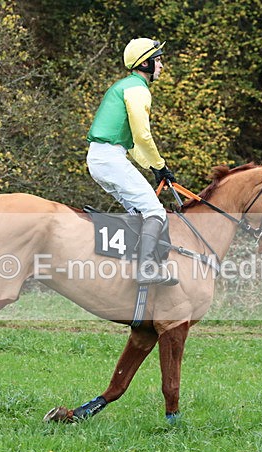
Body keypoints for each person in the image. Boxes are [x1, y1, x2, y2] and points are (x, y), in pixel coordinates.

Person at [86, 38, 178, 286]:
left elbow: (134, 146)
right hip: (110, 159)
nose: (161, 65)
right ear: (145, 63)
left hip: (102, 158)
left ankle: (132, 264)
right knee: (155, 211)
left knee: (138, 212)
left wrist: (157, 169)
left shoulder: (125, 85)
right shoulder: (138, 89)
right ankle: (146, 269)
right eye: (158, 60)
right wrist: (159, 165)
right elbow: (142, 136)